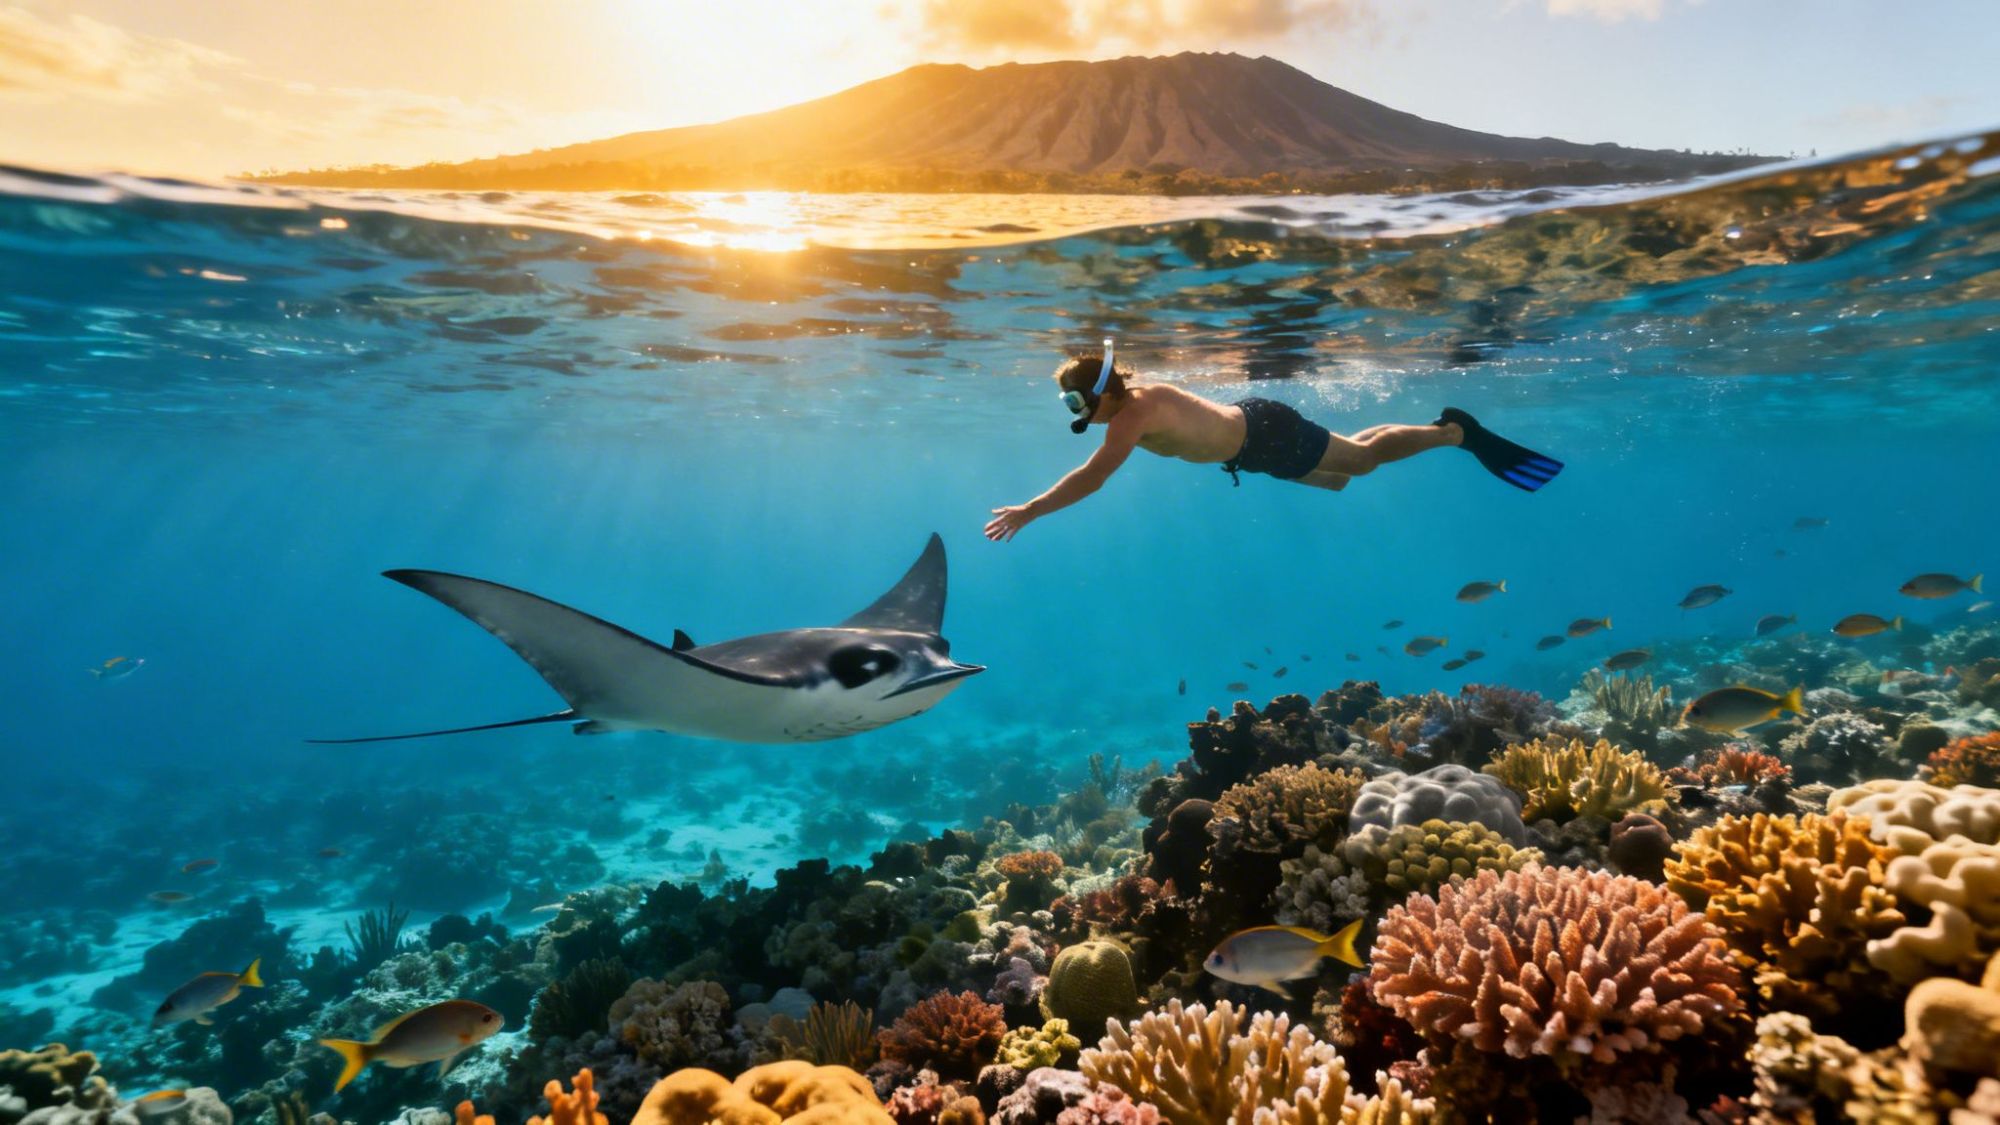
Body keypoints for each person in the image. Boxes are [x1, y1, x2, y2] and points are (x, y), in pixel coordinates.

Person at [984, 343, 1562, 542]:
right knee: (1336, 475)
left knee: (1359, 463)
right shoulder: (1126, 409)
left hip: (1265, 433)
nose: (1078, 413)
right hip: (1252, 449)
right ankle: (1444, 431)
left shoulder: (1135, 411)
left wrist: (1032, 510)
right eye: (1069, 406)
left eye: (1078, 401)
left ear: (1105, 391)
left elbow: (1095, 474)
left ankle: (1452, 432)